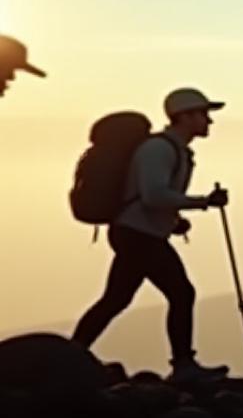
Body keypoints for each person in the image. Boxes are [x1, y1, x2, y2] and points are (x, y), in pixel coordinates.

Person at [71, 87, 230, 382]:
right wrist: (203, 202)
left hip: (135, 233)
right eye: (203, 114)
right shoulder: (159, 150)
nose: (209, 121)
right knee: (181, 292)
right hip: (139, 235)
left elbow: (152, 196)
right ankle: (183, 366)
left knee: (117, 299)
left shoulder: (170, 149)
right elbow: (153, 195)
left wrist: (175, 220)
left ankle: (72, 354)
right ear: (185, 116)